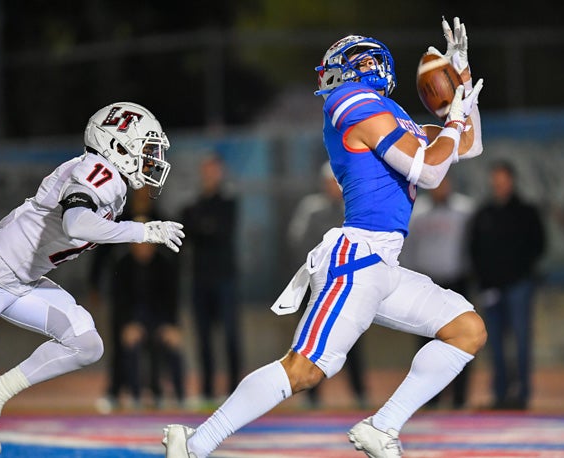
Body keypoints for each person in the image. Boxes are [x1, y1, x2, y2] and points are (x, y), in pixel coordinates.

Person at [163, 16, 486, 458]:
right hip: (357, 258)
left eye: (342, 64)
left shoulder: (392, 116)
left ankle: (383, 426)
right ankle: (195, 443)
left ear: (368, 65)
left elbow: (467, 146)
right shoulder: (349, 100)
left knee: (466, 329)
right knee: (304, 370)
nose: (331, 75)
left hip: (382, 264)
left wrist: (462, 85)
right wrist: (452, 120)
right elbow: (430, 170)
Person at [0, 101, 185, 455]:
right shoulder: (97, 170)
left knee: (85, 344)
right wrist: (141, 232)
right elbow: (76, 222)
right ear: (118, 145)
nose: (152, 159)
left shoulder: (110, 182)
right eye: (146, 148)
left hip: (23, 281)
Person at [287, 160, 369, 409]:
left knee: (351, 341)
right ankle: (311, 394)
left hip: (346, 286)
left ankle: (359, 391)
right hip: (317, 285)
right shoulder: (312, 209)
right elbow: (297, 241)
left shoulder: (354, 209)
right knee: (311, 340)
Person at [468, 160, 546, 410]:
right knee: (495, 345)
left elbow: (538, 245)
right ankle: (501, 394)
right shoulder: (484, 214)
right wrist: (484, 281)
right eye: (496, 181)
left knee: (521, 341)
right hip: (491, 289)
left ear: (511, 181)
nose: (499, 185)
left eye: (503, 180)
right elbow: (474, 250)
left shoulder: (526, 212)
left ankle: (522, 394)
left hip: (518, 287)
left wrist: (519, 273)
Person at [401, 176, 475, 409]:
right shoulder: (417, 212)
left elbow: (474, 246)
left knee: (462, 341)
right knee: (425, 344)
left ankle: (459, 398)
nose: (440, 187)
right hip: (426, 284)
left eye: (444, 182)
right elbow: (408, 248)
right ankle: (429, 397)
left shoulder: (466, 211)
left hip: (457, 283)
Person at [179, 154, 241, 404]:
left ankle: (236, 389)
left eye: (214, 169)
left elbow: (220, 231)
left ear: (221, 172)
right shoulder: (192, 206)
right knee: (203, 337)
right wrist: (205, 228)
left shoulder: (228, 203)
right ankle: (206, 389)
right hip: (200, 279)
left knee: (230, 336)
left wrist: (202, 228)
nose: (209, 174)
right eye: (206, 169)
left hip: (225, 277)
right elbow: (189, 234)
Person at [109, 224, 186, 410]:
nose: (144, 247)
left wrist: (172, 326)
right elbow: (119, 302)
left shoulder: (165, 264)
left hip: (159, 320)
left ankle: (180, 396)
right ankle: (135, 396)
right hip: (133, 319)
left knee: (173, 345)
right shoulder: (123, 265)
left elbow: (172, 300)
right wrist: (127, 325)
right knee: (130, 343)